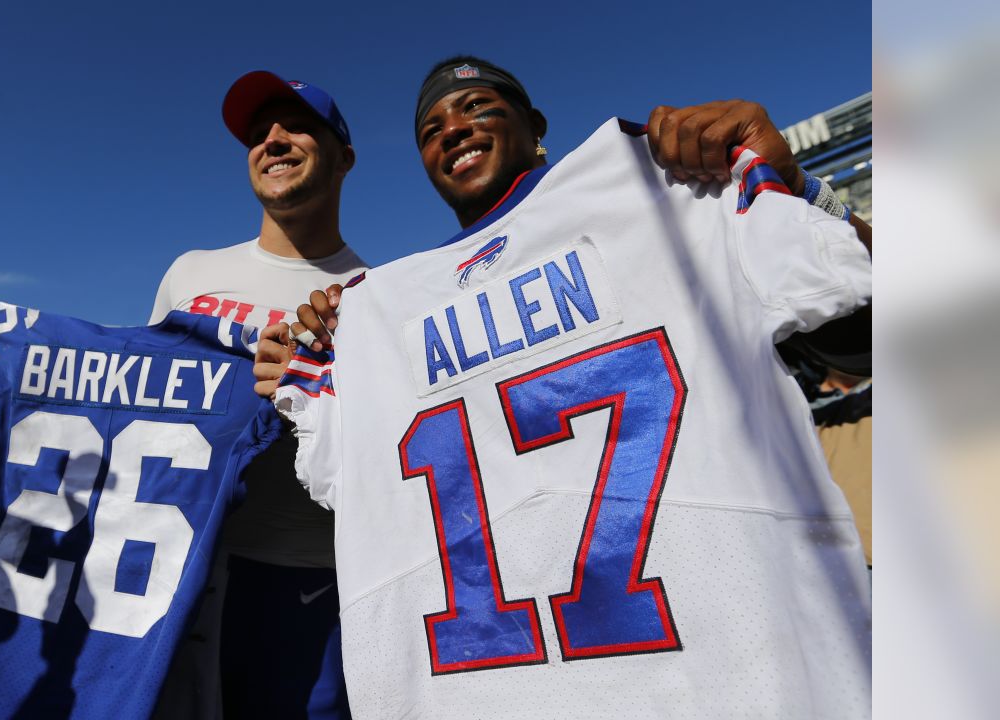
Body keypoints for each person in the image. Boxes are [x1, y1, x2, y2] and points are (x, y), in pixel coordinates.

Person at [262, 56, 872, 718]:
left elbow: (858, 340)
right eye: (432, 127)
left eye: (476, 107)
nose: (454, 129)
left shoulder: (670, 185)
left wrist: (794, 188)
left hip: (726, 672)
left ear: (536, 124)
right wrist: (325, 354)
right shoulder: (374, 313)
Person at [0, 72, 366, 718]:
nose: (273, 141)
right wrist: (9, 351)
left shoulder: (376, 294)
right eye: (259, 134)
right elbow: (128, 399)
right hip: (170, 583)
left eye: (296, 126)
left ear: (343, 155)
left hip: (302, 580)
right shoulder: (191, 272)